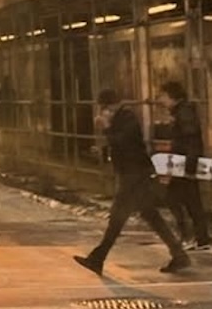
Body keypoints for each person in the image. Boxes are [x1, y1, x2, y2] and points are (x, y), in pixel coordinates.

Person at [74, 89, 190, 276]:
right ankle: (179, 255)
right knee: (150, 216)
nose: (103, 112)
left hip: (135, 175)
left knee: (117, 218)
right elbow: (116, 145)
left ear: (111, 105)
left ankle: (98, 258)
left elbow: (121, 142)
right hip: (131, 174)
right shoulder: (120, 119)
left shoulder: (128, 118)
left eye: (104, 108)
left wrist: (106, 127)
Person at [158, 80, 212, 250]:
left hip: (185, 164)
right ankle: (197, 237)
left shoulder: (184, 113)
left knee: (184, 200)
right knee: (185, 200)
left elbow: (191, 140)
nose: (161, 100)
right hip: (181, 163)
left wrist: (190, 163)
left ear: (172, 96)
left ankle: (193, 236)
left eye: (163, 96)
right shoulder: (180, 112)